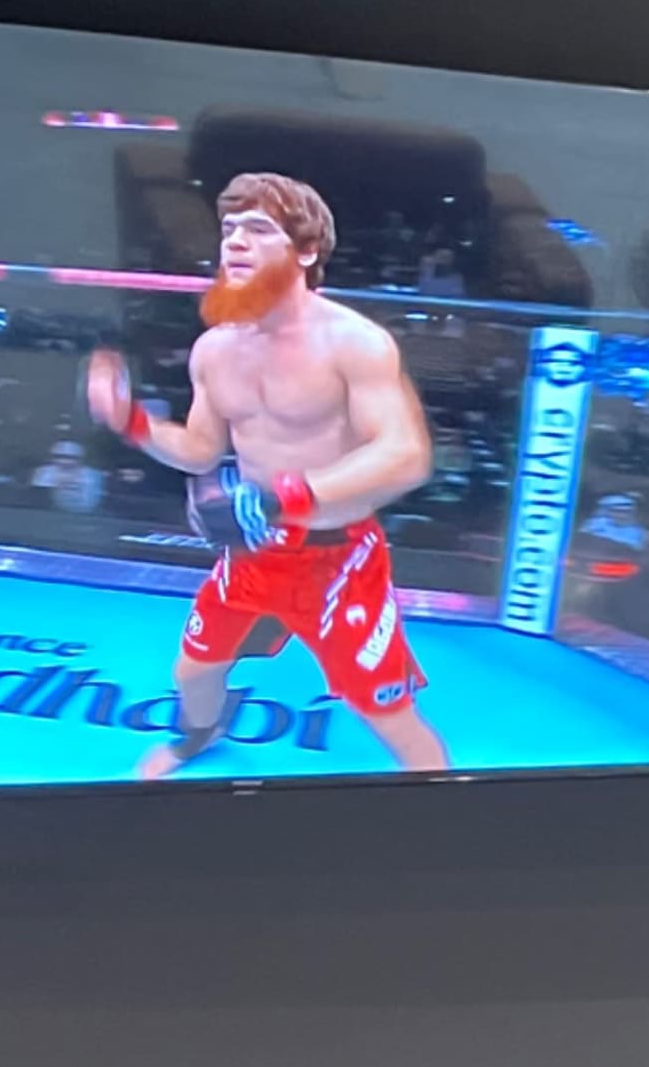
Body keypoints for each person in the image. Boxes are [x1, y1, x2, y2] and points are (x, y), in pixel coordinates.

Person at [83, 172, 447, 776]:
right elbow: (200, 451)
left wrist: (287, 496)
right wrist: (133, 423)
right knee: (193, 671)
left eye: (257, 229)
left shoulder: (354, 342)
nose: (234, 242)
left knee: (387, 714)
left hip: (337, 561)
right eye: (229, 229)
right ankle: (200, 736)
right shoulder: (216, 349)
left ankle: (446, 804)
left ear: (306, 251)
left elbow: (406, 454)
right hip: (255, 550)